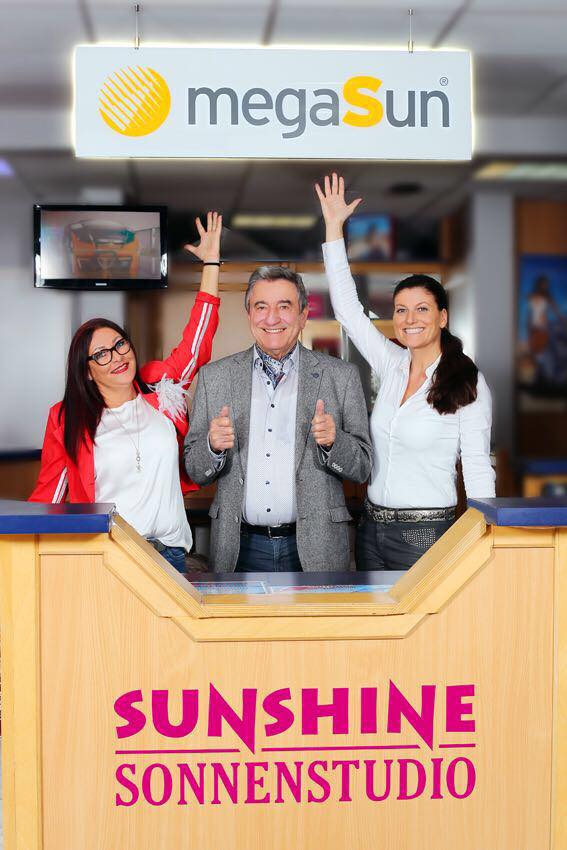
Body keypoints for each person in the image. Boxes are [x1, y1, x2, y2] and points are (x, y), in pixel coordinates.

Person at [316, 173, 495, 571]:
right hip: (371, 529)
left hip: (426, 535)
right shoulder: (393, 363)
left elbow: (478, 466)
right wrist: (333, 228)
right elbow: (348, 311)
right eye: (401, 310)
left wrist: (485, 539)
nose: (410, 319)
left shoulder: (467, 381)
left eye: (422, 309)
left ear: (442, 317)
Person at [30, 212, 223, 573]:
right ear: (86, 372)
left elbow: (198, 341)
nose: (117, 357)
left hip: (171, 554)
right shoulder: (67, 417)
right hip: (109, 557)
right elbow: (52, 495)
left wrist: (211, 263)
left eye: (120, 344)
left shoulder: (159, 389)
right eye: (102, 354)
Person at [183, 265, 373, 573]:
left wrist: (334, 442)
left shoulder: (340, 376)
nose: (271, 318)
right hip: (239, 548)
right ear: (249, 314)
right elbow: (195, 469)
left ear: (303, 315)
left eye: (284, 307)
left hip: (317, 547)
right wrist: (212, 447)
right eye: (261, 307)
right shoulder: (214, 377)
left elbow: (362, 467)